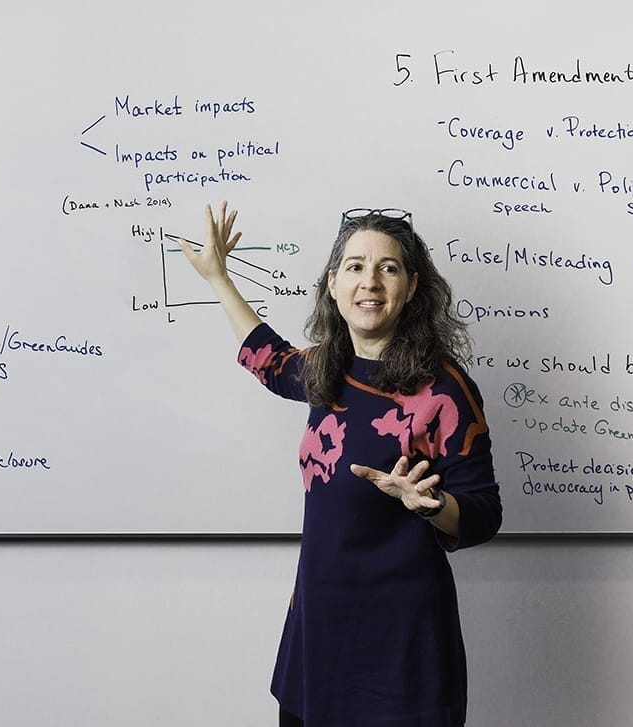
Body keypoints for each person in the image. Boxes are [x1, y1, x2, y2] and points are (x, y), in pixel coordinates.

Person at [180, 202, 502, 727]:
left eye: (388, 267)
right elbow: (268, 357)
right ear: (333, 284)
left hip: (403, 643)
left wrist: (432, 505)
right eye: (354, 266)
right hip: (319, 628)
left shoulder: (443, 390)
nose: (369, 281)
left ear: (412, 286)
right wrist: (219, 280)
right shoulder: (326, 369)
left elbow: (485, 514)